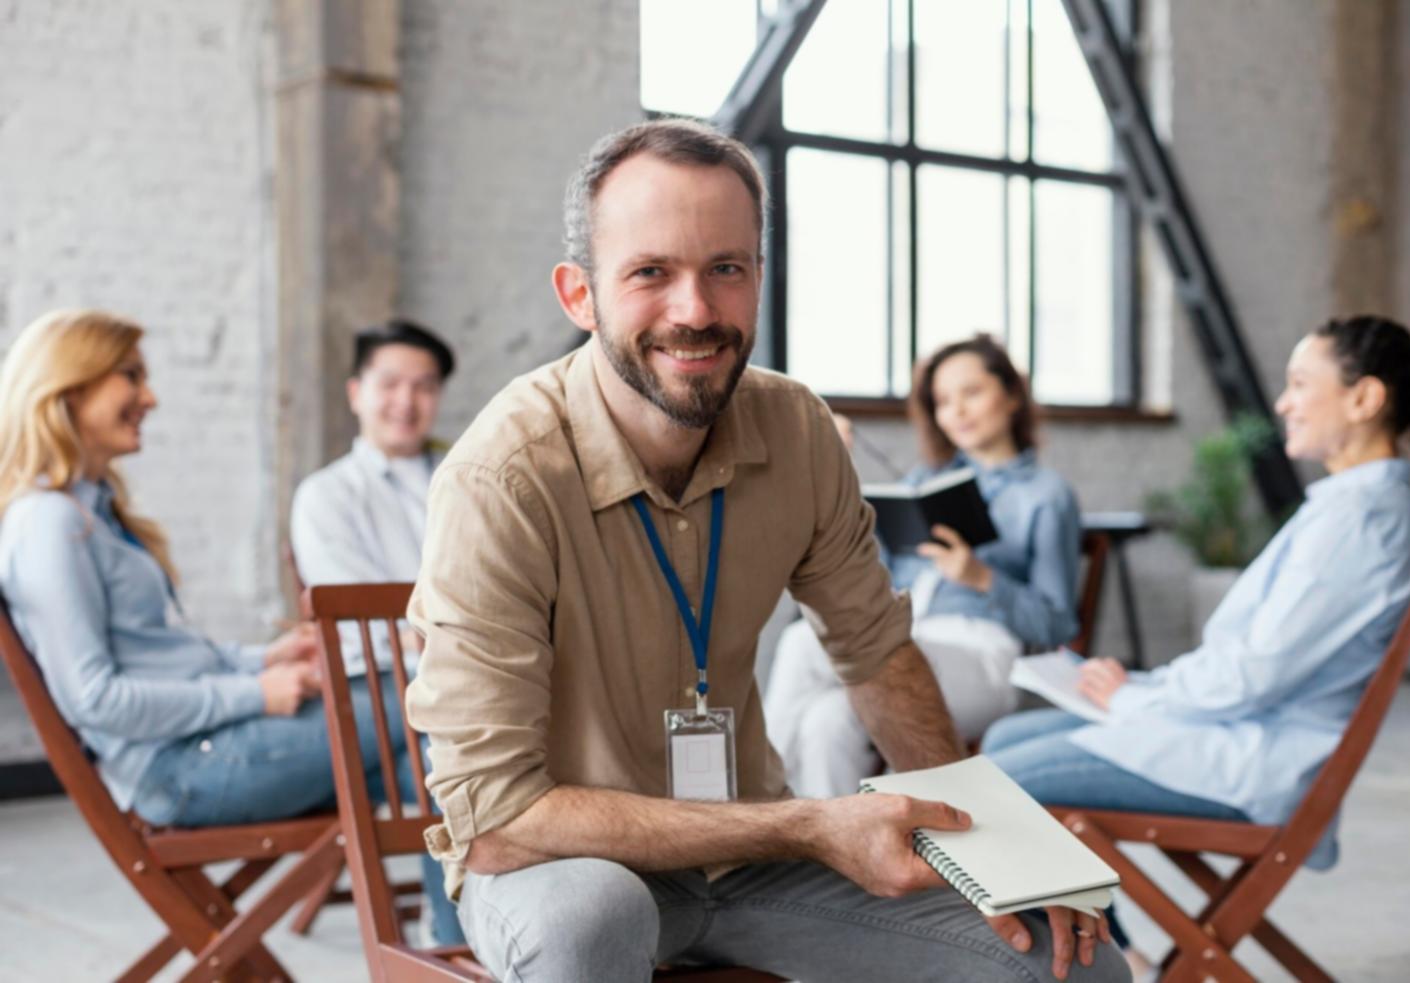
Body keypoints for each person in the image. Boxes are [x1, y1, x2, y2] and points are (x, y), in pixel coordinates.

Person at [403, 118, 1126, 983]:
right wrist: (807, 825)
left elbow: (878, 654)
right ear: (579, 295)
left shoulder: (799, 429)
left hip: (750, 869)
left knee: (1066, 962)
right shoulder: (501, 478)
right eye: (650, 273)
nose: (696, 311)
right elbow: (499, 816)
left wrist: (1012, 858)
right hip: (559, 867)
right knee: (597, 918)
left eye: (726, 269)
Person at [983, 315, 1410, 966]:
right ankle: (1119, 958)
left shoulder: (1360, 522)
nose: (1283, 401)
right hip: (1241, 734)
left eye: (1301, 383)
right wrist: (1142, 688)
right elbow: (1253, 659)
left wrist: (1132, 698)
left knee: (995, 787)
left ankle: (1106, 965)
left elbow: (1253, 674)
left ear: (1365, 398)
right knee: (998, 744)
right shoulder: (1351, 508)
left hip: (1254, 758)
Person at [0, 309, 463, 946]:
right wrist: (256, 693)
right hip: (177, 770)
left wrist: (262, 661)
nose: (150, 396)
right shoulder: (48, 524)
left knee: (436, 759)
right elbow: (95, 700)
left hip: (203, 743)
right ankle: (458, 952)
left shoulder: (92, 511)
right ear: (70, 388)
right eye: (130, 376)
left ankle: (454, 951)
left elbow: (172, 656)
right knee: (422, 717)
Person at [764, 334, 1082, 798]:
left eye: (971, 392)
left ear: (1012, 395)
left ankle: (758, 802)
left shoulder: (1045, 495)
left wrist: (981, 578)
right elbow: (867, 574)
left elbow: (1056, 625)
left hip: (983, 658)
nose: (958, 411)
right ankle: (830, 859)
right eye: (943, 401)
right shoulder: (922, 483)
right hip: (903, 637)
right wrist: (837, 472)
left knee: (803, 643)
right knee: (826, 721)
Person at [290, 318, 455, 674]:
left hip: (470, 669)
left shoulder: (466, 478)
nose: (406, 401)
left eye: (424, 387)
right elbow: (362, 629)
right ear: (355, 393)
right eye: (390, 384)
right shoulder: (326, 495)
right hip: (383, 677)